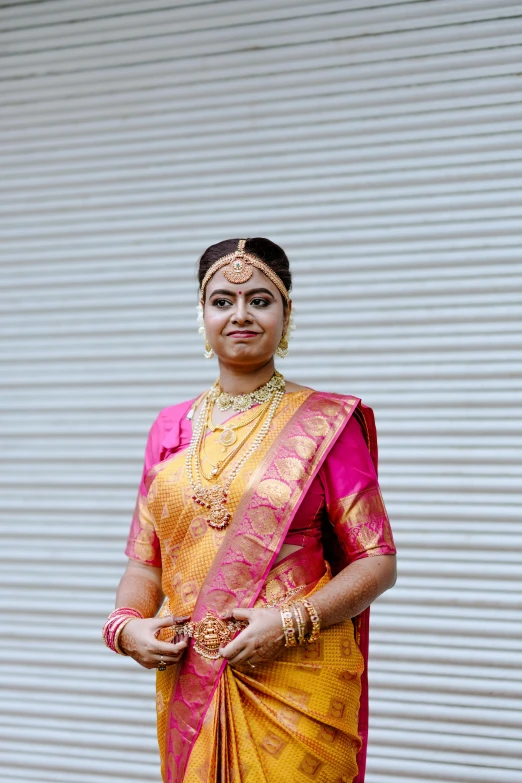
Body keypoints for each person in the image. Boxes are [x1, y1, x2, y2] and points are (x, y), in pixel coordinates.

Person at [103, 237, 397, 783]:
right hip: (193, 680)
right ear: (202, 314)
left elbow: (377, 562)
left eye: (260, 300)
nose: (240, 314)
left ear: (287, 314)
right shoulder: (170, 429)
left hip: (298, 679)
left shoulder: (327, 424)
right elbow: (145, 563)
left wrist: (288, 624)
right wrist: (125, 626)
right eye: (222, 301)